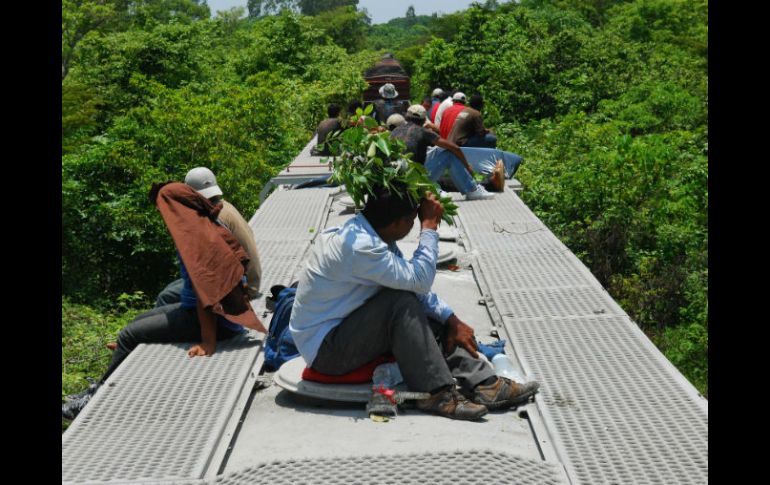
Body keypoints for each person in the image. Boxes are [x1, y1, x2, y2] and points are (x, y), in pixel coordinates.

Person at [289, 187, 540, 421]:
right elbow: (419, 281)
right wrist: (429, 228)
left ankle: (484, 384)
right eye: (412, 221)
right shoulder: (360, 247)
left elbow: (413, 286)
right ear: (398, 223)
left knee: (422, 312)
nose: (413, 226)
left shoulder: (370, 236)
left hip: (346, 329)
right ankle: (436, 394)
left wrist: (452, 320)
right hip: (326, 351)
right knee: (401, 304)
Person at [63, 182, 266, 421]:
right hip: (212, 312)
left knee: (129, 334)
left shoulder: (195, 237)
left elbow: (206, 294)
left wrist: (208, 342)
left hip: (218, 321)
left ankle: (94, 401)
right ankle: (106, 378)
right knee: (137, 322)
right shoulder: (199, 225)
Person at [155, 167, 263, 306]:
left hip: (238, 286)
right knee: (172, 289)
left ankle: (189, 326)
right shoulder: (226, 206)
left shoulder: (214, 217)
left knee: (165, 297)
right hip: (246, 280)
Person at [391, 104, 494, 200]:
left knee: (433, 153)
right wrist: (468, 166)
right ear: (423, 120)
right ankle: (472, 190)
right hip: (416, 181)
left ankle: (436, 189)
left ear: (406, 117)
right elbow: (454, 148)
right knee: (448, 154)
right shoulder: (423, 132)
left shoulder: (395, 131)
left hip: (397, 179)